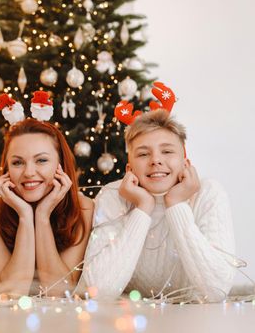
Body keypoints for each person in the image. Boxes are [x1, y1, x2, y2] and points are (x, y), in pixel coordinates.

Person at [78, 109, 236, 302]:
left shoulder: (208, 194)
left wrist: (176, 204)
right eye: (143, 154)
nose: (156, 160)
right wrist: (143, 208)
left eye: (167, 151)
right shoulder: (113, 196)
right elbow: (97, 291)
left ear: (186, 164)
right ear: (130, 169)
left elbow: (216, 290)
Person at [0, 118, 93, 296]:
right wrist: (25, 216)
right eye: (17, 163)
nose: (28, 172)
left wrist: (42, 216)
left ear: (61, 166)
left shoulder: (83, 208)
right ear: (6, 169)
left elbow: (58, 292)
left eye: (41, 160)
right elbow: (13, 292)